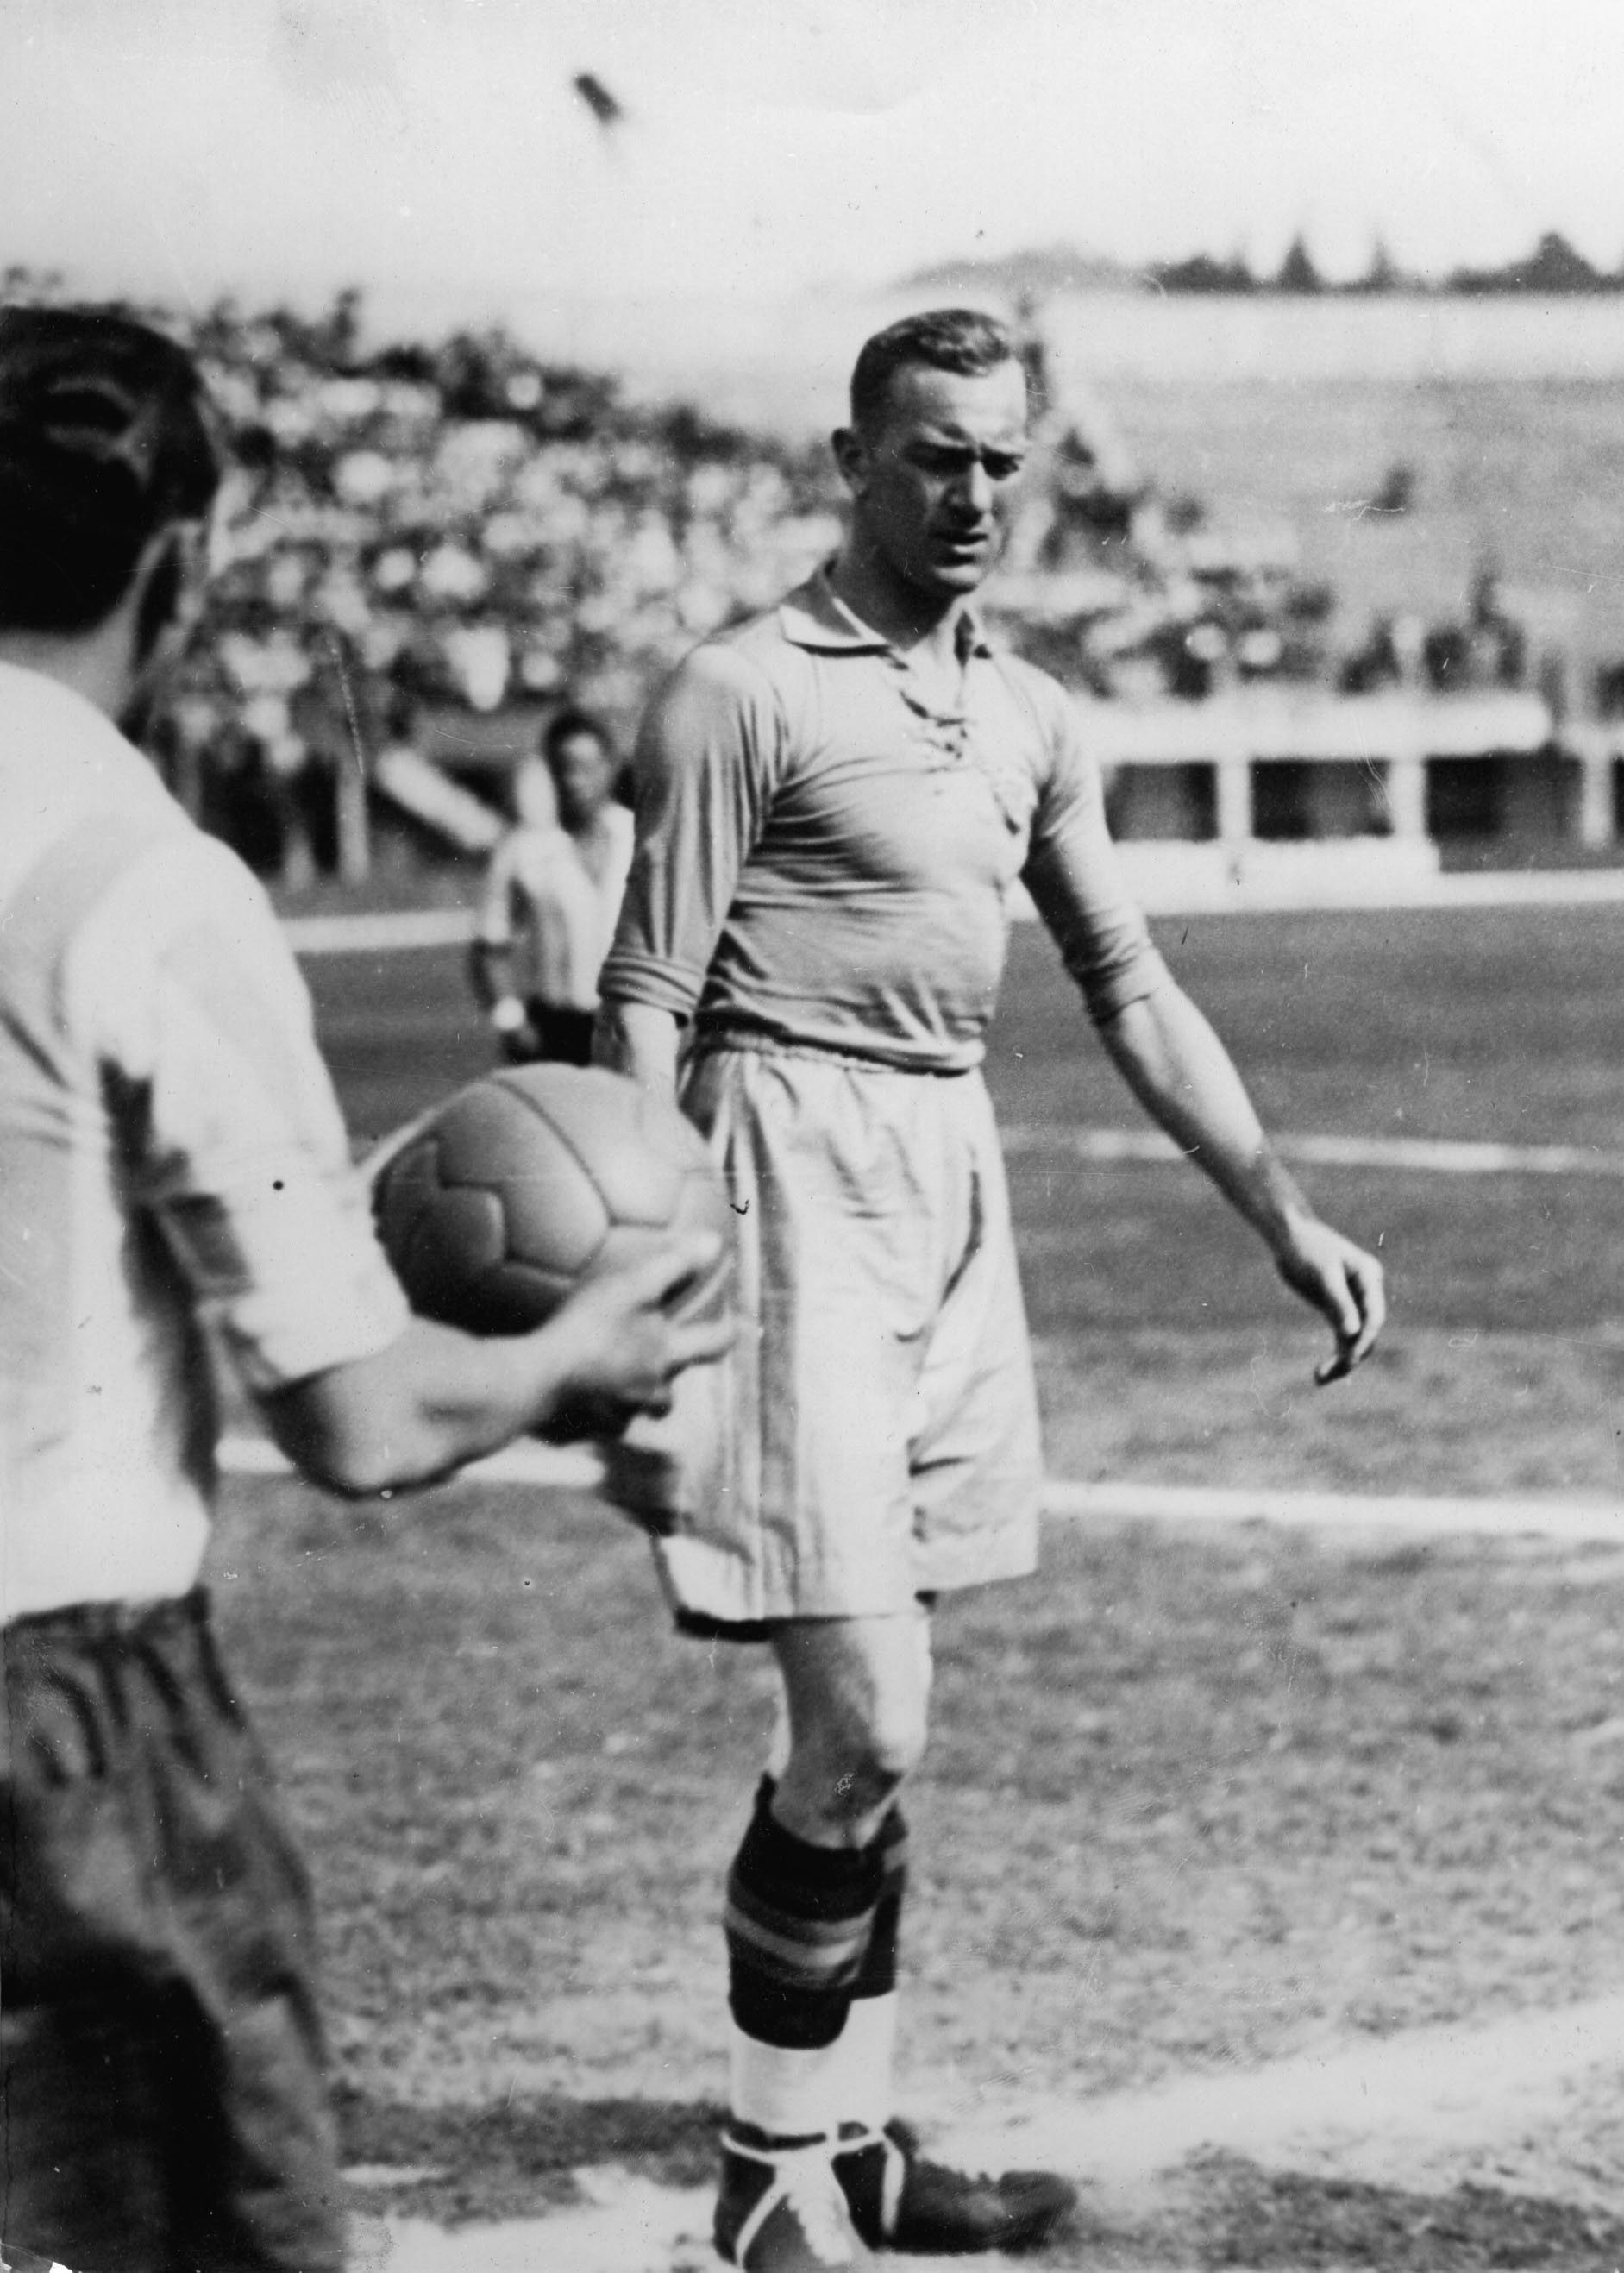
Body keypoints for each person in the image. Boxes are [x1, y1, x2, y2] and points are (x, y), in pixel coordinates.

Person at [596, 308, 1389, 2273]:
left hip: (948, 1178)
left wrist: (1280, 1209)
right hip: (779, 1169)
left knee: (895, 1716)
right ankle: (769, 2173)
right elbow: (642, 997)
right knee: (859, 1713)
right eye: (934, 455)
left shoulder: (1031, 716)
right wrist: (639, 1287)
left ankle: (856, 2140)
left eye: (1000, 462)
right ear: (853, 455)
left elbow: (1128, 982)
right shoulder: (740, 687)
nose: (970, 495)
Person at [0, 311, 726, 2273]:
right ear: (180, 564)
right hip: (57, 1700)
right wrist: (578, 1356)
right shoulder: (146, 886)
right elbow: (361, 1420)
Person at [468, 705, 636, 1064]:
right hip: (554, 1027)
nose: (575, 781)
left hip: (629, 1025)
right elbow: (489, 946)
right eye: (564, 769)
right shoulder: (524, 848)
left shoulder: (640, 839)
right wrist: (511, 1022)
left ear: (611, 766)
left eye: (587, 768)